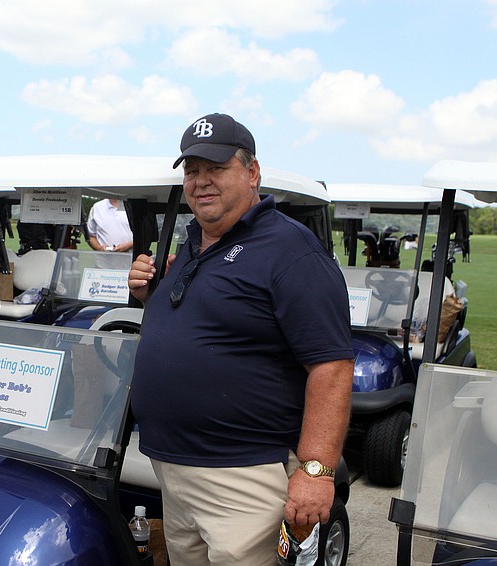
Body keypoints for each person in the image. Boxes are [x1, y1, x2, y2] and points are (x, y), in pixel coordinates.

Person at [128, 113, 354, 565]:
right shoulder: (193, 243)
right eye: (192, 172)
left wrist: (315, 472)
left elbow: (331, 366)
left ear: (251, 173)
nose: (201, 182)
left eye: (216, 168)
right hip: (170, 470)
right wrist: (147, 297)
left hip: (240, 476)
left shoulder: (290, 250)